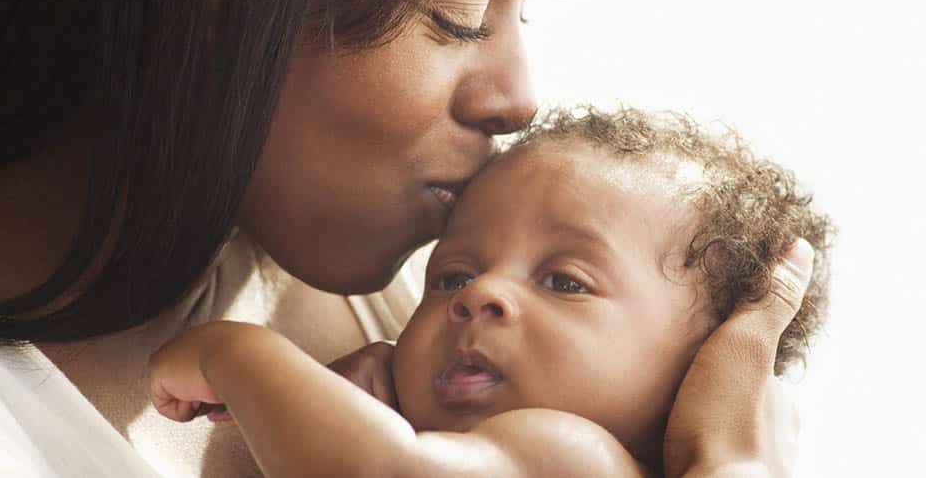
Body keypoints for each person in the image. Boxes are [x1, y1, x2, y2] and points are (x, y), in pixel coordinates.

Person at [0, 0, 810, 477]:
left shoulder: (401, 293)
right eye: (457, 19)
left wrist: (242, 356)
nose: (518, 98)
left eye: (521, 13)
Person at [148, 106, 834, 477]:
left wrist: (236, 354)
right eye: (453, 275)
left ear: (700, 370)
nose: (481, 297)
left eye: (566, 282)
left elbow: (381, 472)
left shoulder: (571, 453)